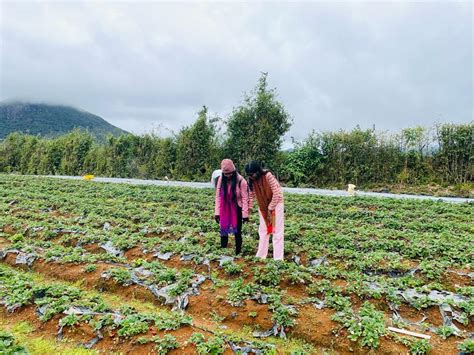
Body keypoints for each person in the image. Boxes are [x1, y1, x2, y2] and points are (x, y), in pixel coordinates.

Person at [245, 161, 284, 260]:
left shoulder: (268, 176)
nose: (252, 176)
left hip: (276, 204)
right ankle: (261, 256)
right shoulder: (252, 181)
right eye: (249, 175)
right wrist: (249, 208)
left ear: (258, 171)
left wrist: (270, 209)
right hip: (262, 206)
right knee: (263, 230)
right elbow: (251, 195)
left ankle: (278, 259)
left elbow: (277, 193)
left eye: (253, 174)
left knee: (276, 231)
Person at [214, 159, 249, 255]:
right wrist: (217, 212)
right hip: (225, 207)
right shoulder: (221, 179)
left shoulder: (241, 181)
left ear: (234, 171)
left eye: (230, 173)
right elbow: (218, 196)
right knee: (224, 229)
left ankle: (238, 252)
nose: (228, 176)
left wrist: (245, 214)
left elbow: (245, 198)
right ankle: (223, 249)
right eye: (226, 174)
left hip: (237, 207)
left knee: (237, 231)